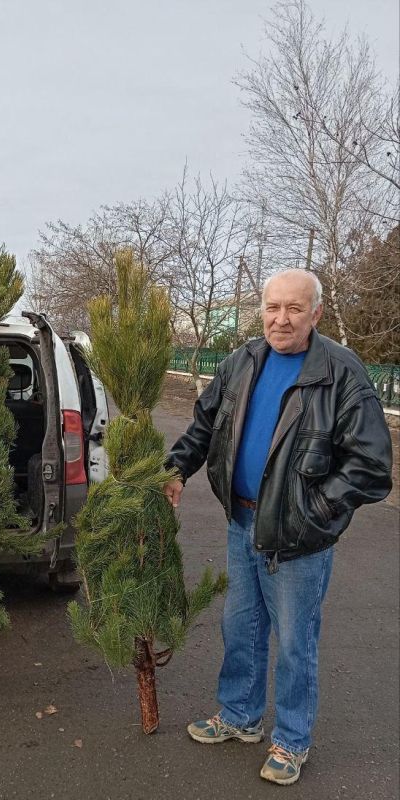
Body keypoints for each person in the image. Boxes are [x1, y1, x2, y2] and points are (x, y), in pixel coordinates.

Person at [163, 269, 392, 786]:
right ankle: (240, 716)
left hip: (298, 538)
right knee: (240, 626)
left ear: (316, 314)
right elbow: (204, 424)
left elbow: (372, 466)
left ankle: (291, 739)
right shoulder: (242, 361)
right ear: (261, 309)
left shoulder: (341, 372)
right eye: (272, 308)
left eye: (293, 309)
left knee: (295, 640)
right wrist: (176, 468)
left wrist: (312, 513)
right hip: (241, 520)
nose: (280, 319)